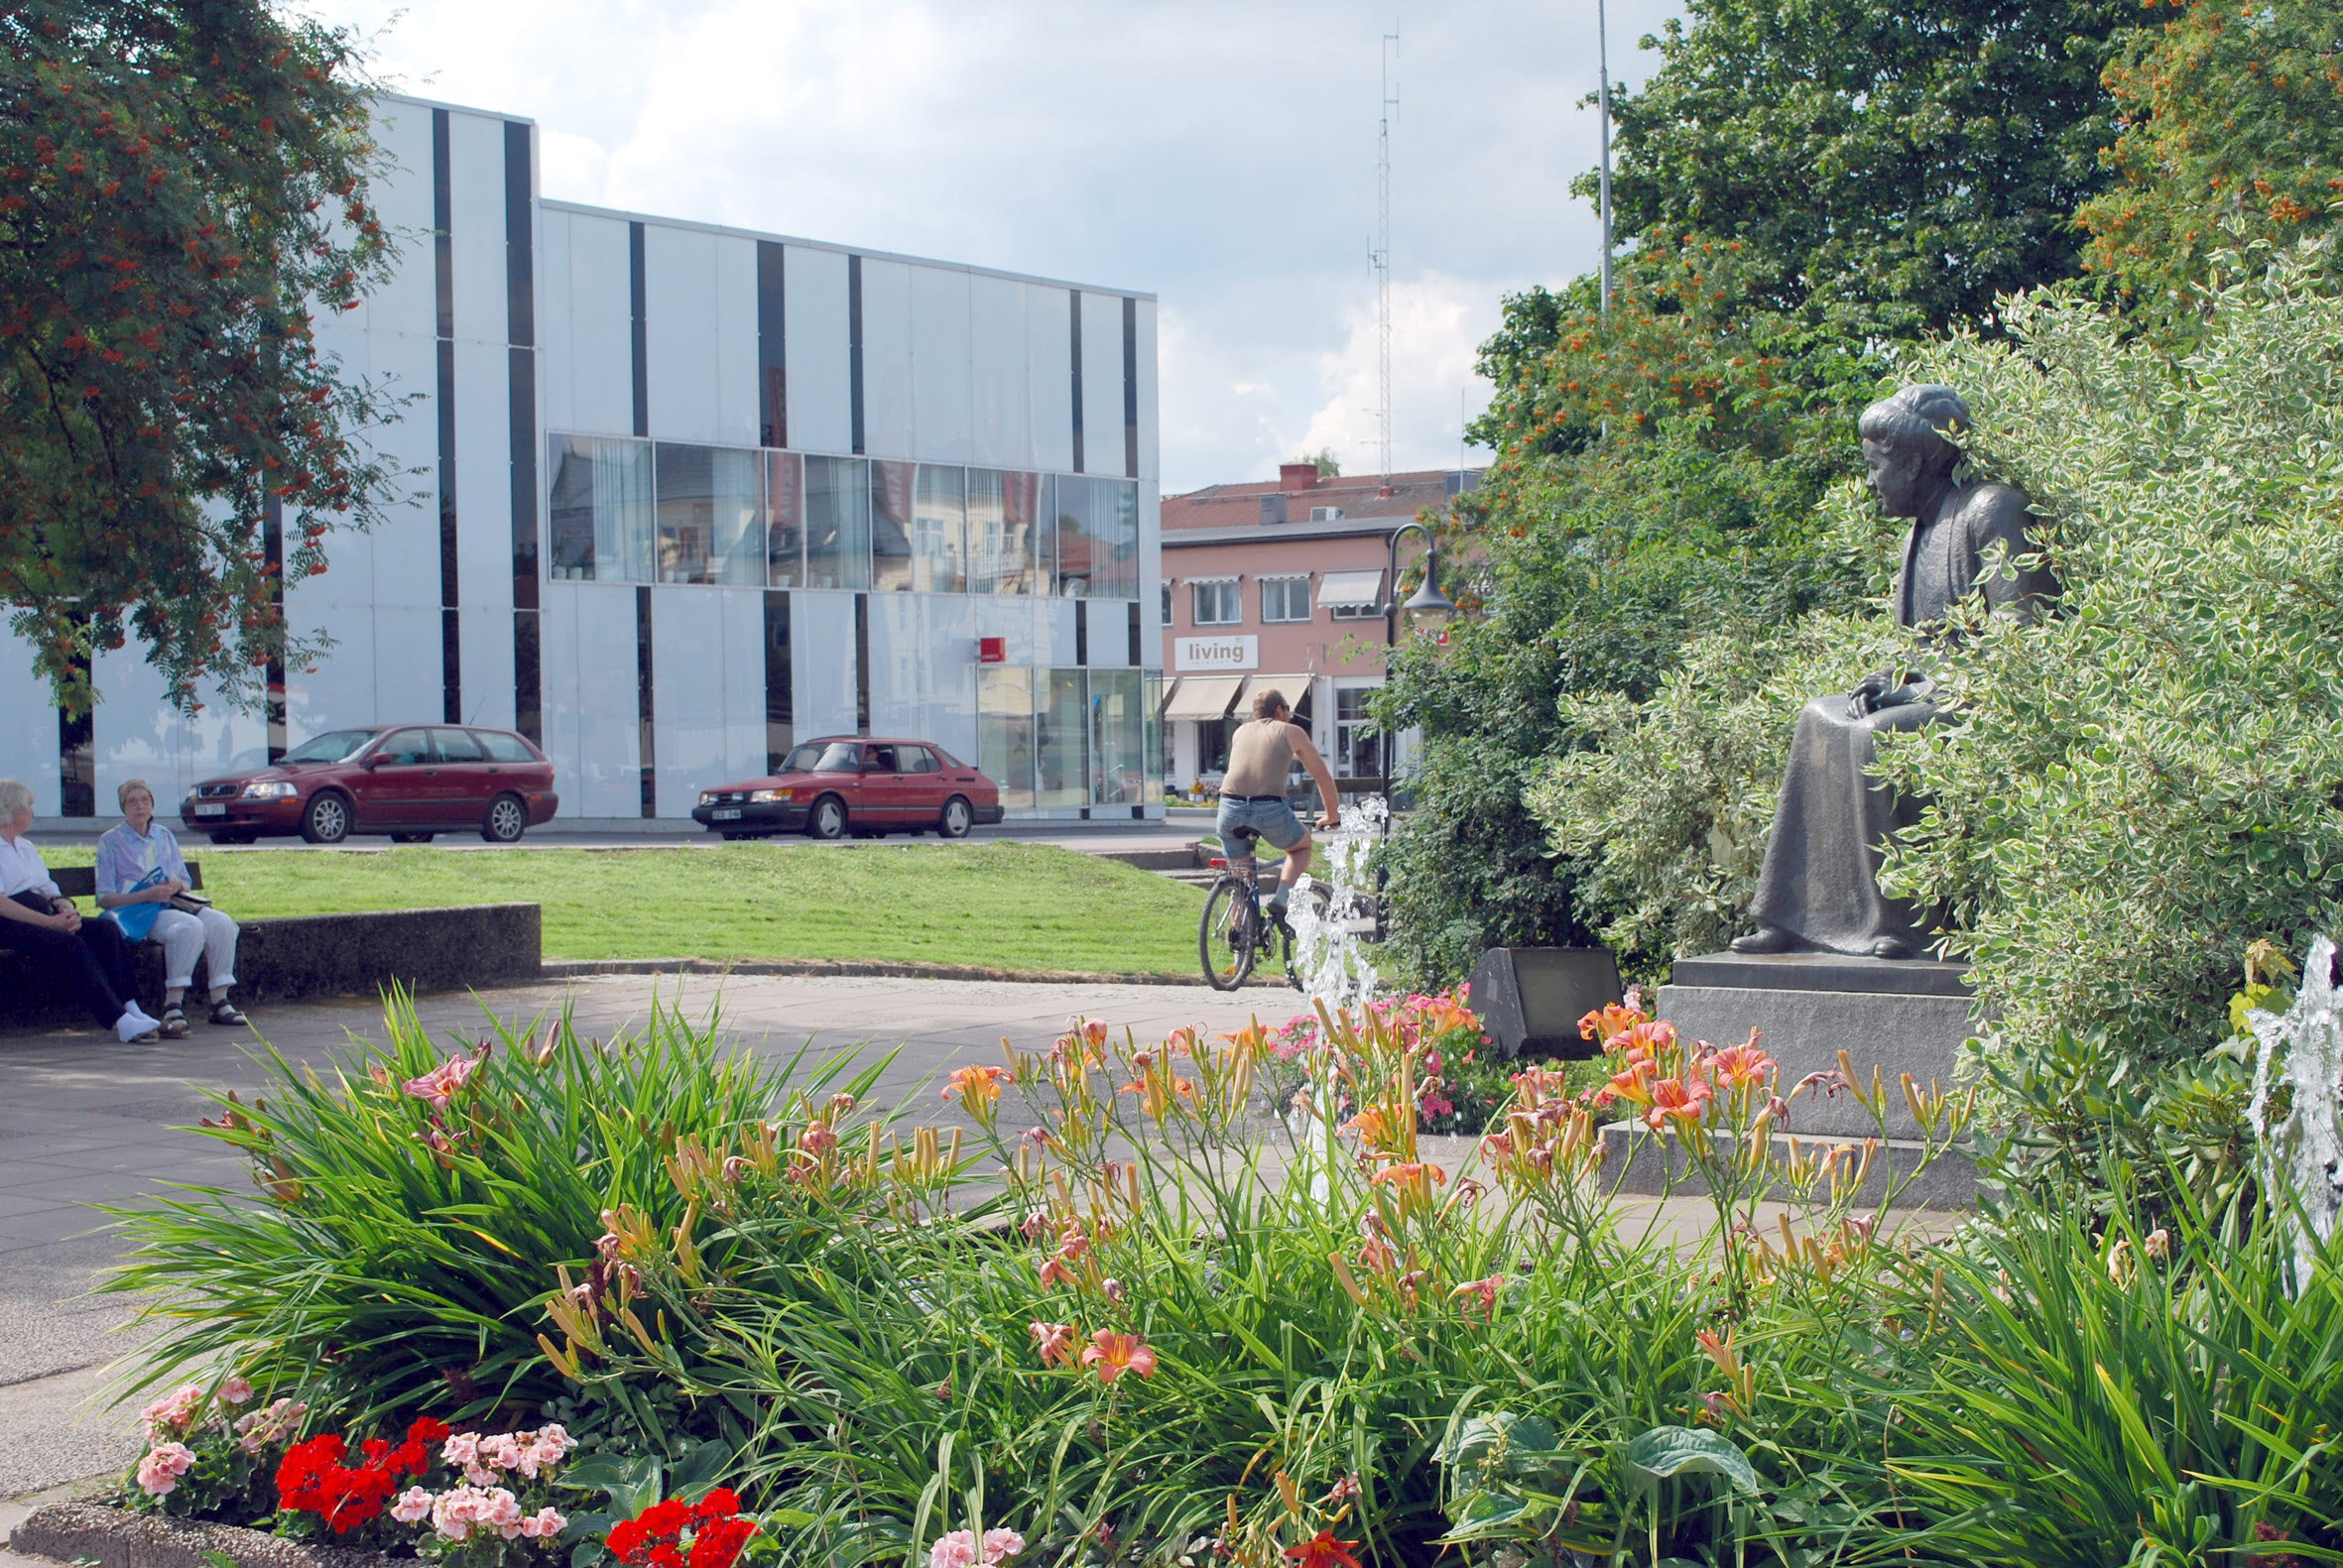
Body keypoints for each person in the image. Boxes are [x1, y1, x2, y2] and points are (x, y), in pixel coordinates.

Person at [1732, 384, 2056, 958]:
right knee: (1818, 717)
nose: (1869, 482)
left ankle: (1904, 921)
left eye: (1875, 466)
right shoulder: (1921, 528)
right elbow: (1924, 646)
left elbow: (2022, 638)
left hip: (1994, 707)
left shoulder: (1992, 509)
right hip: (1935, 694)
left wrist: (1920, 688)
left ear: (1913, 462)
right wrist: (1893, 679)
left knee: (1878, 736)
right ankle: (1792, 917)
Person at [0, 778, 163, 1042]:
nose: (32, 813)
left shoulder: (25, 847)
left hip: (42, 915)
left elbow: (47, 886)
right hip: (9, 923)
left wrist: (65, 908)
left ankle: (131, 1007)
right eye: (28, 807)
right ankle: (119, 1021)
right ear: (11, 809)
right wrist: (49, 923)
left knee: (105, 930)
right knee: (69, 944)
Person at [94, 780, 246, 1038]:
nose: (140, 806)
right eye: (132, 802)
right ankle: (173, 1004)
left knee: (222, 923)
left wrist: (175, 884)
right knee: (188, 927)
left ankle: (220, 999)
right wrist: (146, 894)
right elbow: (104, 898)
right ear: (123, 807)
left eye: (145, 800)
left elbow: (184, 879)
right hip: (138, 912)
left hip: (172, 902)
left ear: (152, 804)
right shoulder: (111, 841)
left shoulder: (163, 835)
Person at [1214, 688, 1342, 922]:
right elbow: (1322, 776)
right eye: (1288, 710)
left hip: (1229, 807)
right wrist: (1332, 815)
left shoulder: (1240, 731)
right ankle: (1281, 899)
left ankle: (1238, 938)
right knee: (1301, 847)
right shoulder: (1291, 731)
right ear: (1280, 710)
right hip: (1268, 807)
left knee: (1240, 882)